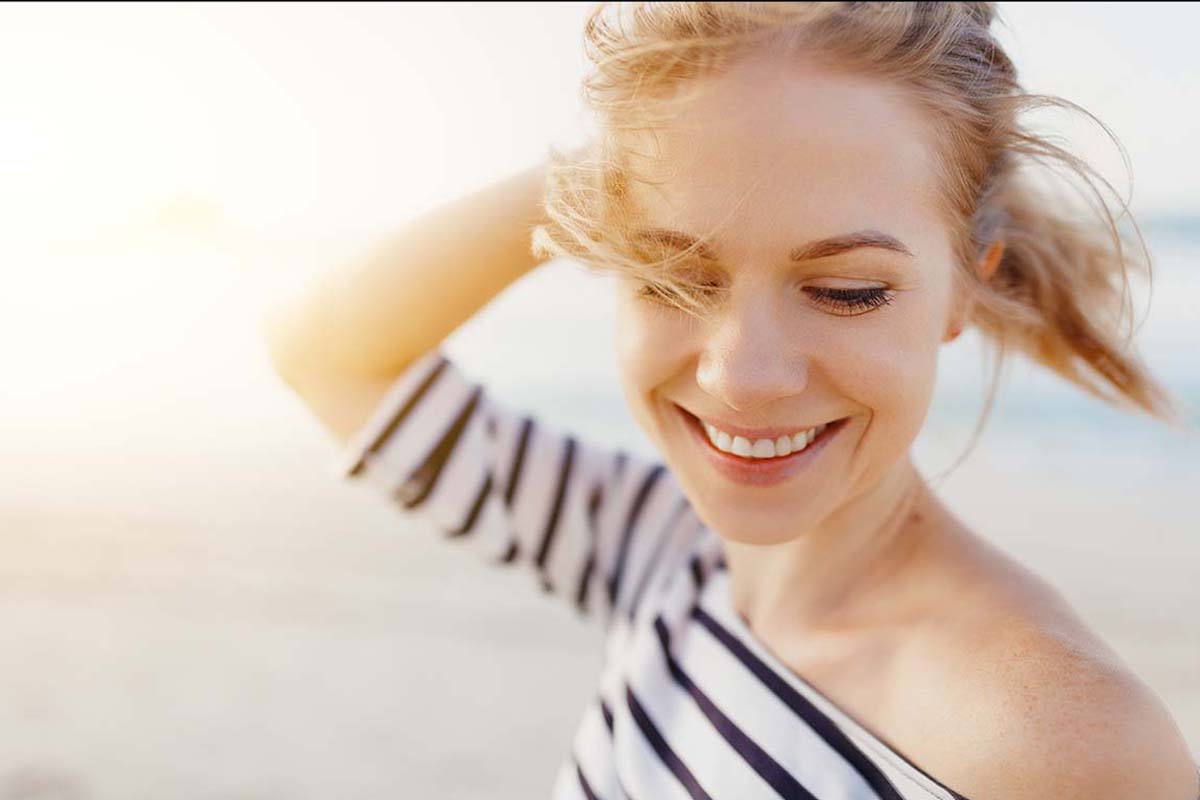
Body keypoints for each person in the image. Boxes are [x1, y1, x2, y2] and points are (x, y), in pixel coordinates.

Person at [261, 3, 1199, 798]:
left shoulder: (1055, 745)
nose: (741, 377)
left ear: (967, 288)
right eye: (670, 274)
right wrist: (617, 160)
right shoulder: (655, 549)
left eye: (847, 291)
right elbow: (325, 353)